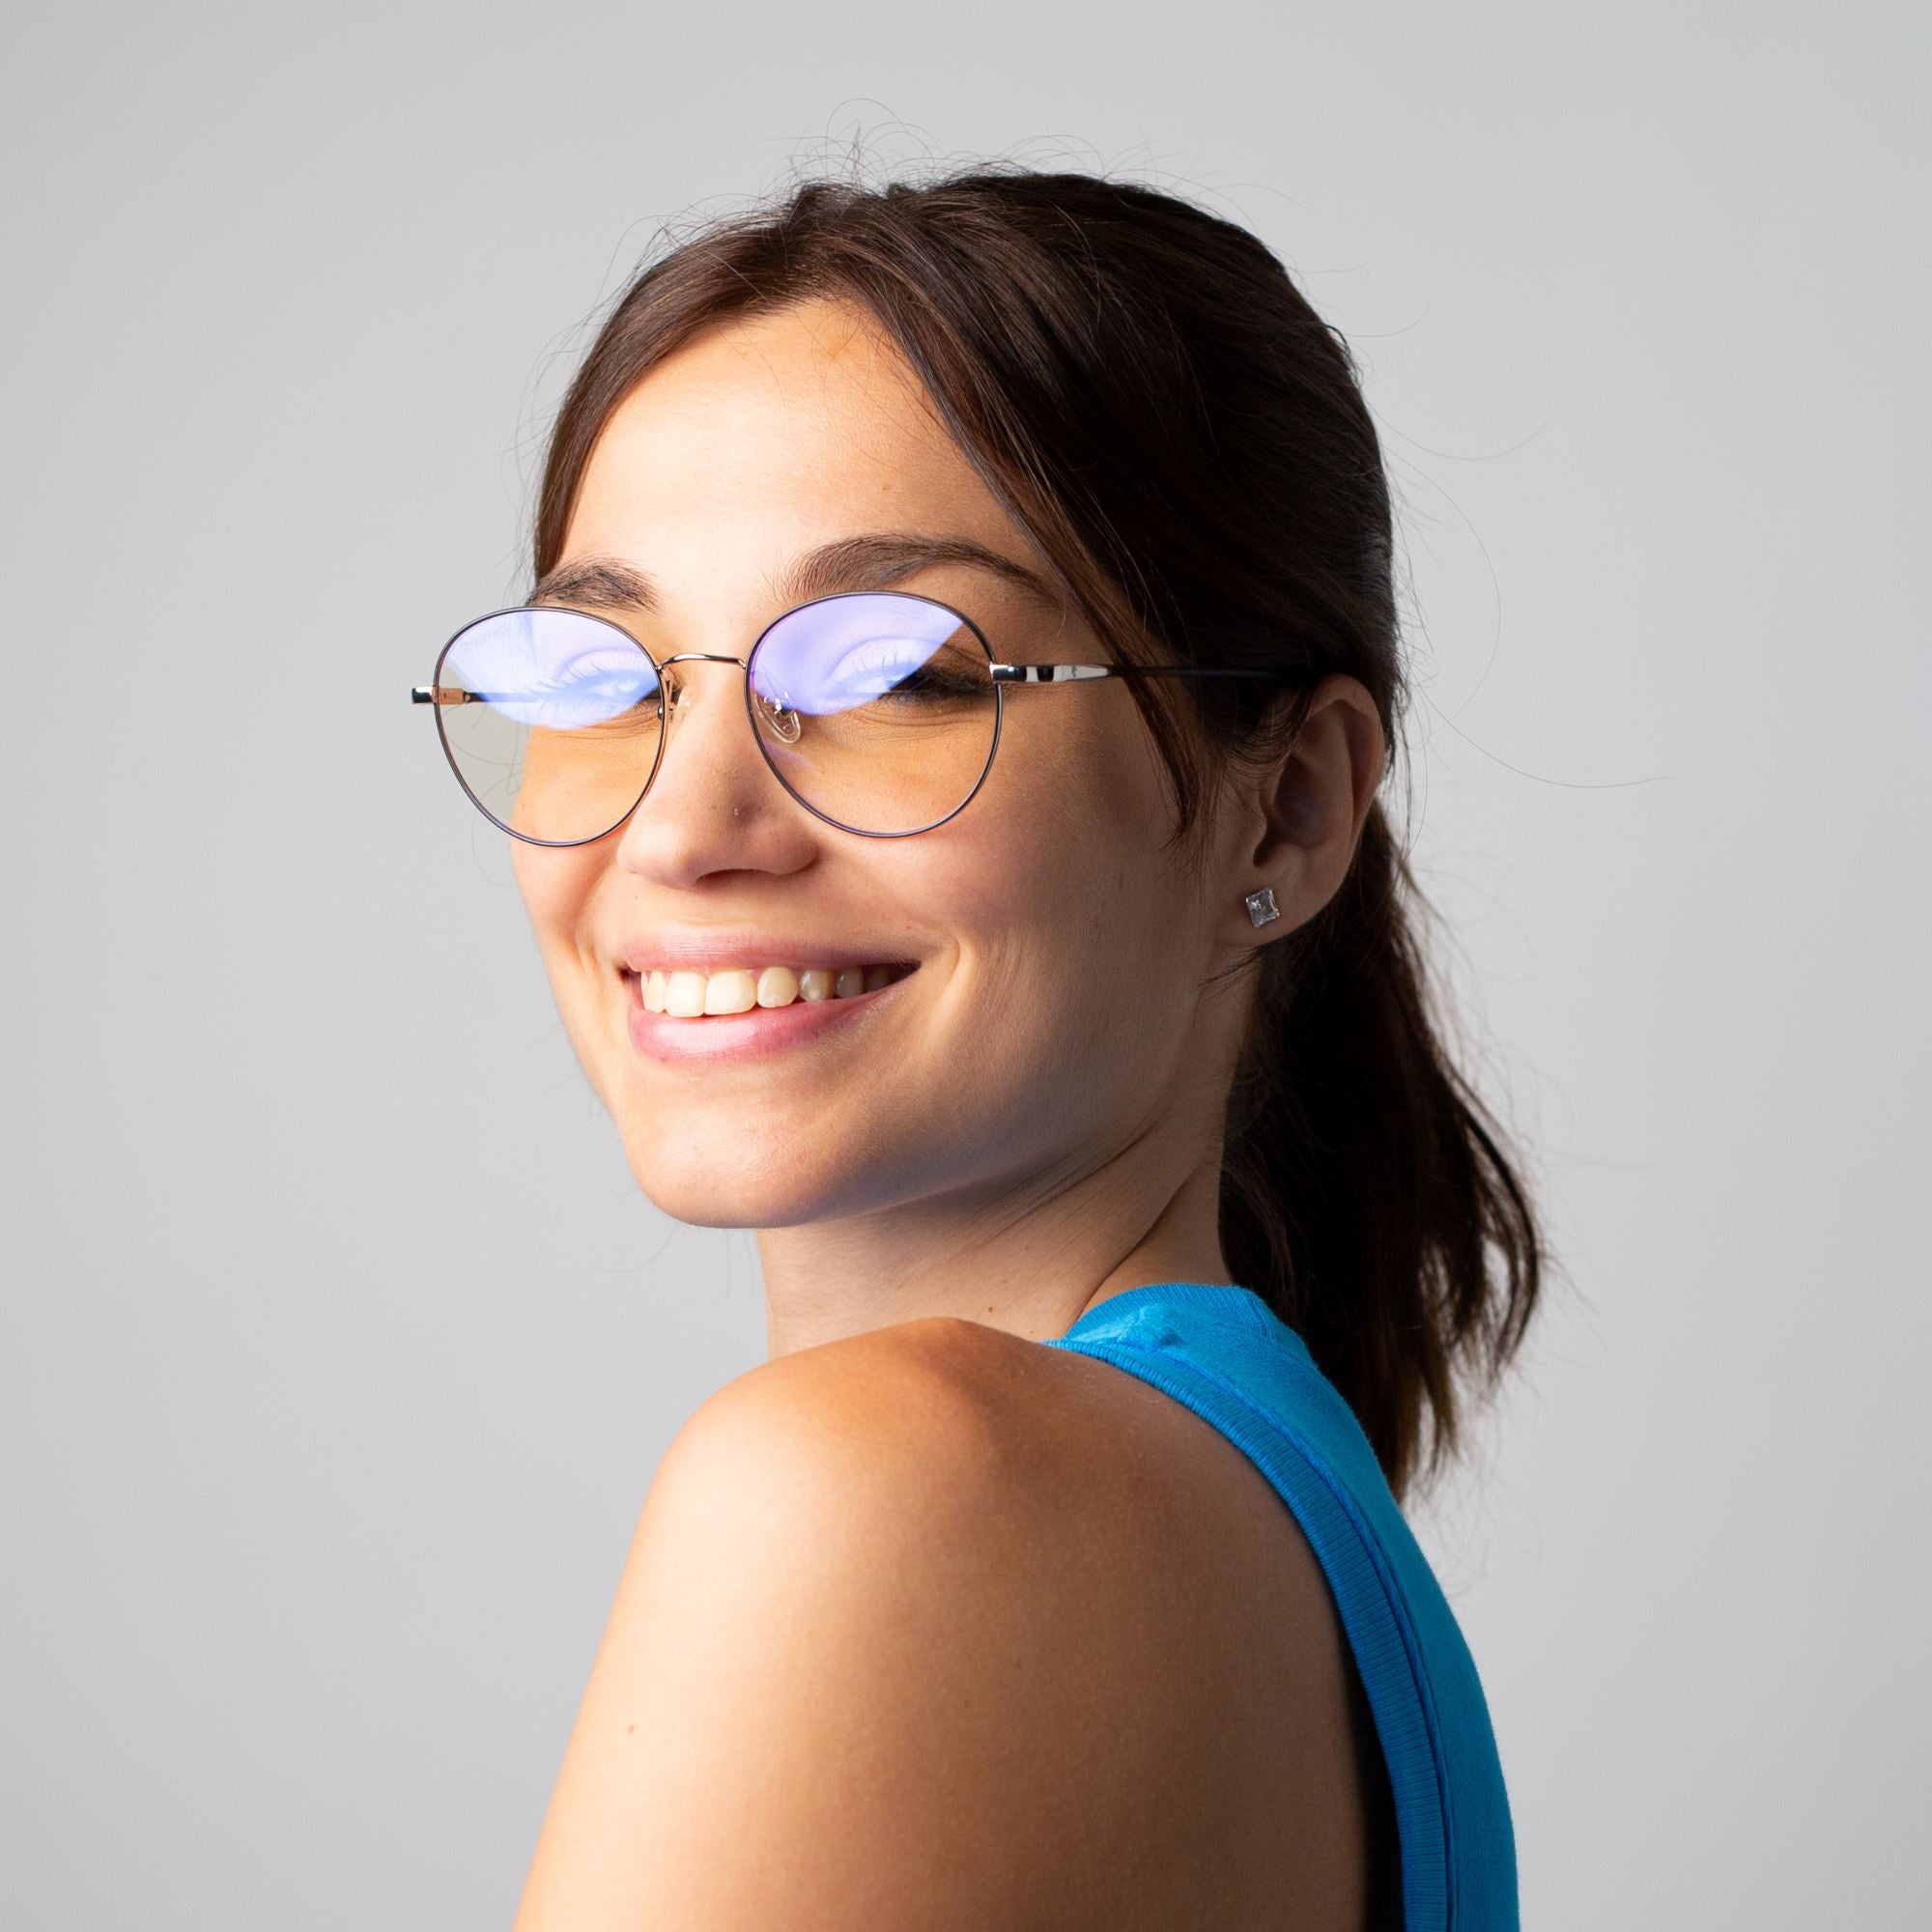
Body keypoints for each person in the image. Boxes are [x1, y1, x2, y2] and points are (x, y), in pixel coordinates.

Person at [412, 165, 1545, 1930]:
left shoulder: (885, 1488)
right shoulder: (1283, 1539)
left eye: (896, 675)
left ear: (1287, 813)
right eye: (595, 681)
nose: (680, 824)